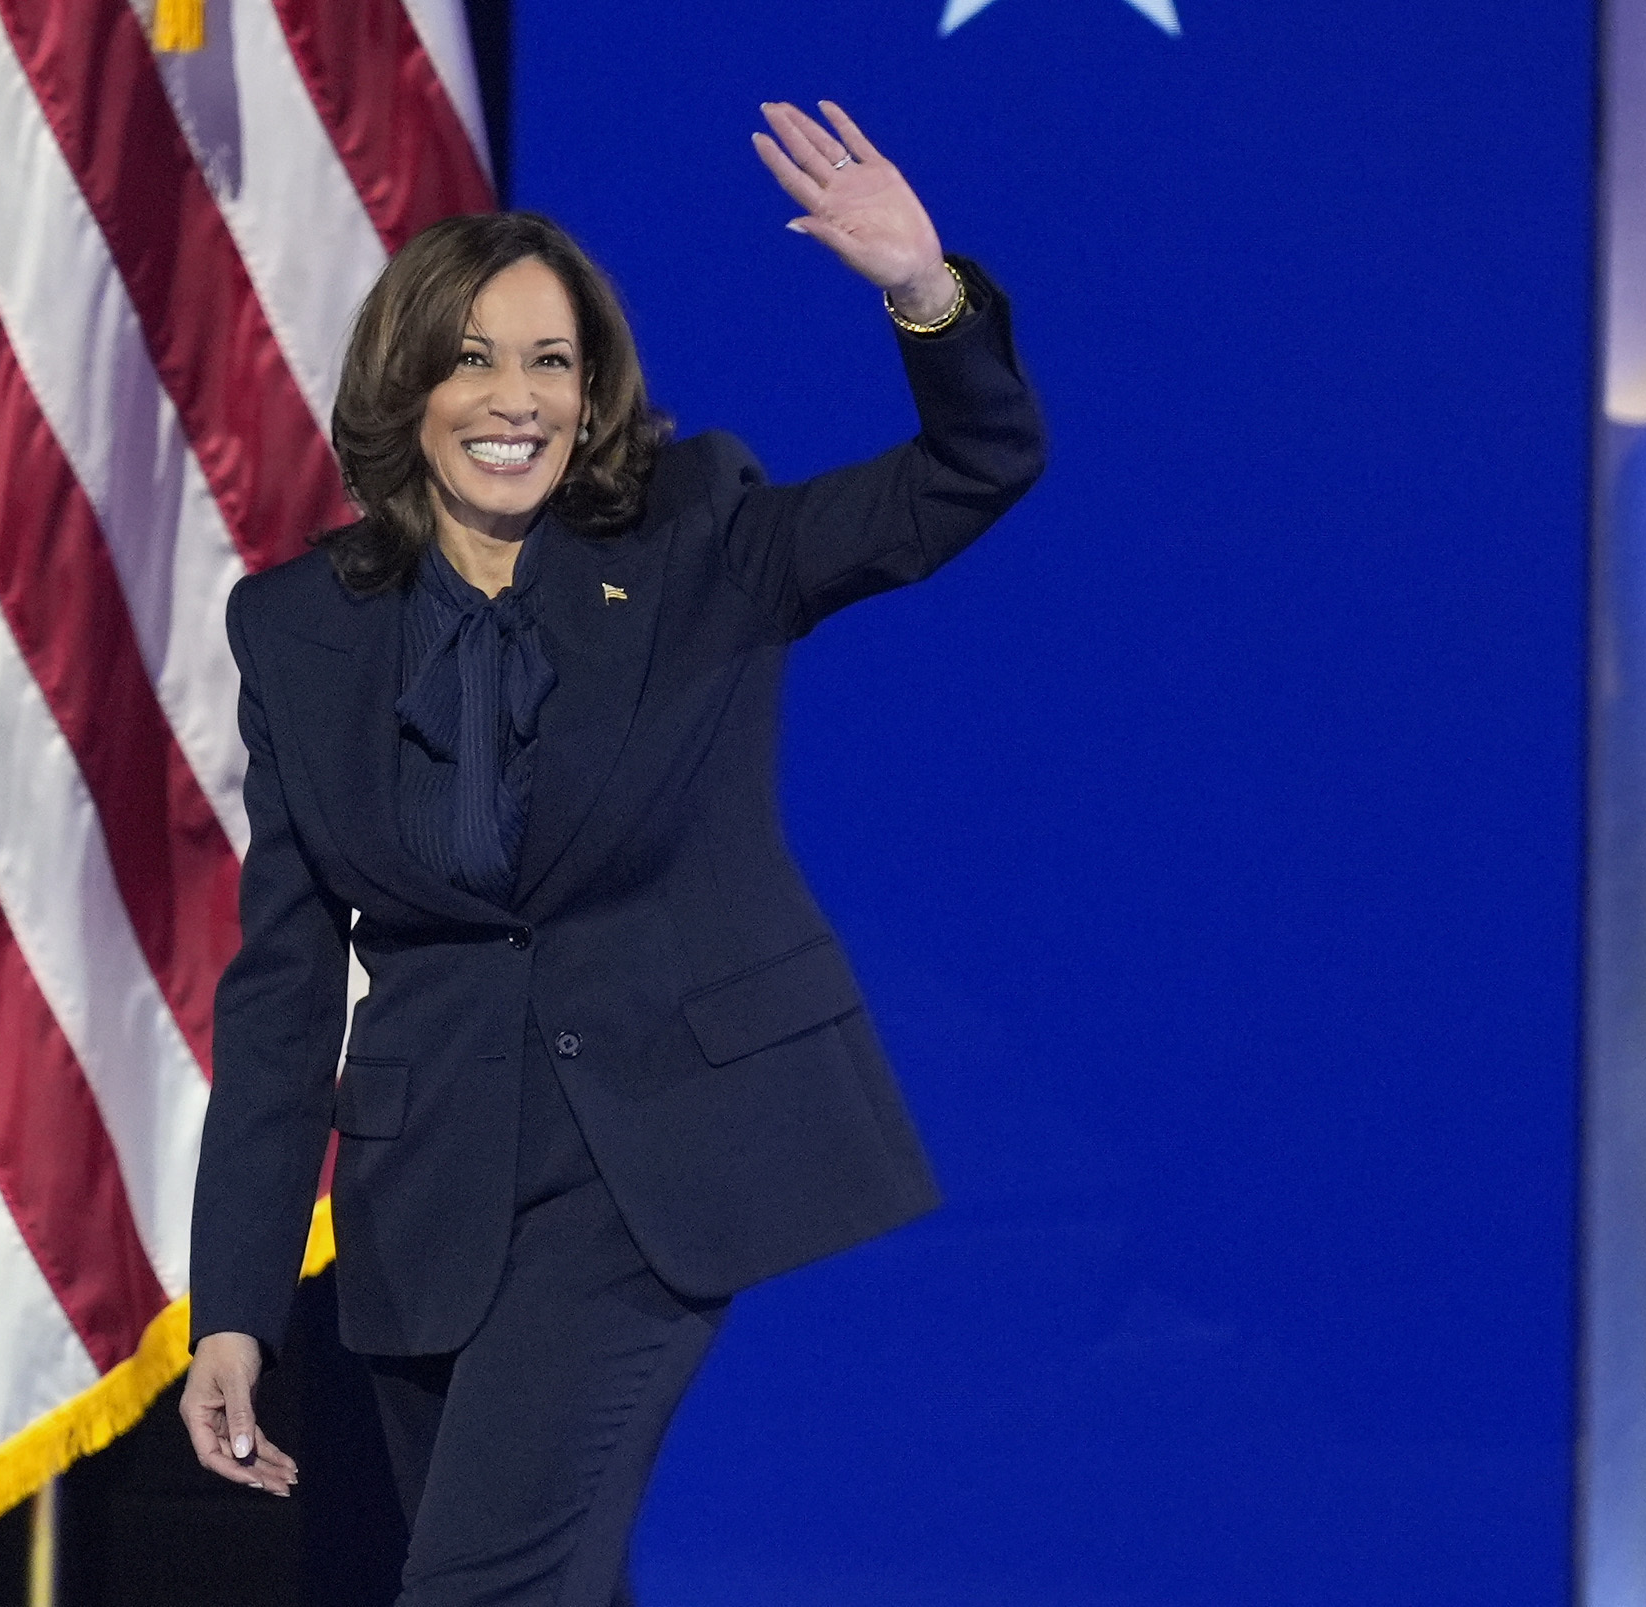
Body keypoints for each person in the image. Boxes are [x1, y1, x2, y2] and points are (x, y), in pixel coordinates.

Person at [179, 99, 1046, 1605]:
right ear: (406, 389)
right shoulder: (299, 628)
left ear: (591, 396)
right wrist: (234, 1311)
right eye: (470, 357)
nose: (511, 397)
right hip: (426, 1200)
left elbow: (970, 471)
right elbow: (279, 994)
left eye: (550, 361)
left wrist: (924, 291)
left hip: (645, 1169)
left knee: (479, 1589)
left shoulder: (704, 536)